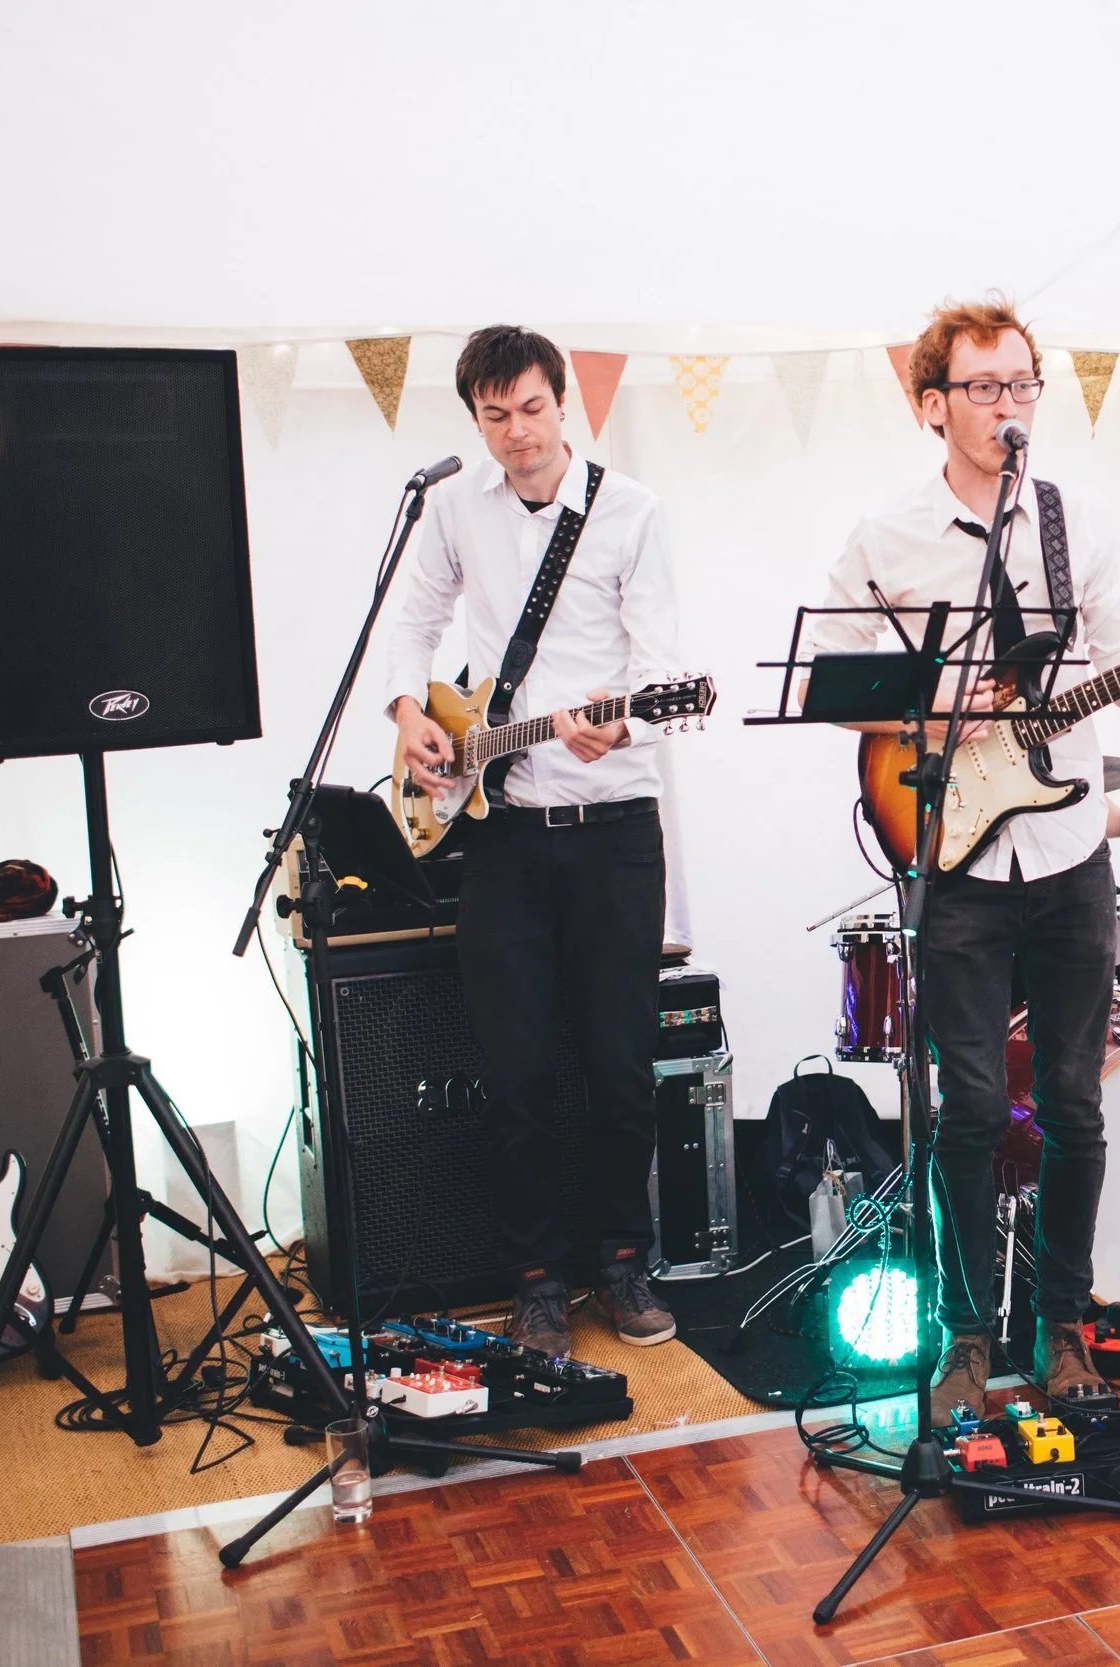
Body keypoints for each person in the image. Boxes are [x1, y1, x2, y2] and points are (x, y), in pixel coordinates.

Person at [804, 295, 1120, 1421]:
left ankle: (1063, 1329)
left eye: (1023, 384)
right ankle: (964, 1338)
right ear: (933, 406)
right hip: (953, 855)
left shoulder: (1082, 521)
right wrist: (929, 700)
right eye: (983, 387)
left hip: (1069, 847)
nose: (1009, 406)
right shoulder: (888, 536)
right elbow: (828, 680)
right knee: (969, 1108)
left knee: (1075, 1102)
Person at [384, 325, 685, 1357]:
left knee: (618, 1062)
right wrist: (407, 712)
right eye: (494, 415)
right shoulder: (451, 506)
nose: (516, 433)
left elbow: (664, 666)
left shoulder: (631, 511)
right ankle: (534, 1277)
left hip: (613, 832)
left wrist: (627, 721)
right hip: (501, 830)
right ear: (475, 417)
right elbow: (410, 621)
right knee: (516, 1071)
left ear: (566, 404)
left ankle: (623, 1259)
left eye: (533, 409)